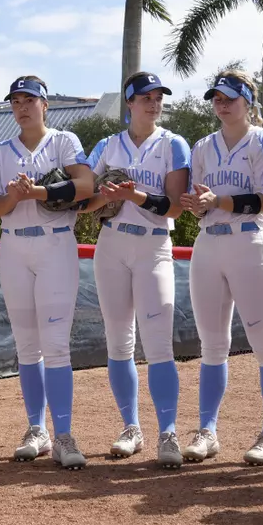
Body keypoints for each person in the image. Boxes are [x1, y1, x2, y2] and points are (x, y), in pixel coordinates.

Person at [178, 70, 263, 467]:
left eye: (229, 97)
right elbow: (199, 202)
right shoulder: (202, 146)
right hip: (209, 243)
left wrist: (219, 201)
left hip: (249, 241)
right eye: (217, 98)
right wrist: (197, 205)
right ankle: (207, 431)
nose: (222, 104)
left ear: (248, 101)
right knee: (211, 345)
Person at [0, 76, 95, 468]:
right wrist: (15, 196)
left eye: (29, 100)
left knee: (56, 344)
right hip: (13, 246)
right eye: (16, 101)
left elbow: (86, 185)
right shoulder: (0, 150)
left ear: (45, 105)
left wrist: (40, 193)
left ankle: (63, 434)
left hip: (55, 244)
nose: (22, 107)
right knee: (27, 345)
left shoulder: (63, 141)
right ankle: (37, 429)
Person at [83, 72, 190, 467]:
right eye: (145, 97)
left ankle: (168, 432)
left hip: (153, 245)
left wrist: (135, 195)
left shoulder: (173, 144)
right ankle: (130, 427)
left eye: (158, 97)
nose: (154, 103)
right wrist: (103, 196)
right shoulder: (107, 146)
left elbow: (175, 208)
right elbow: (83, 202)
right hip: (111, 245)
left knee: (159, 343)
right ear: (129, 102)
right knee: (118, 342)